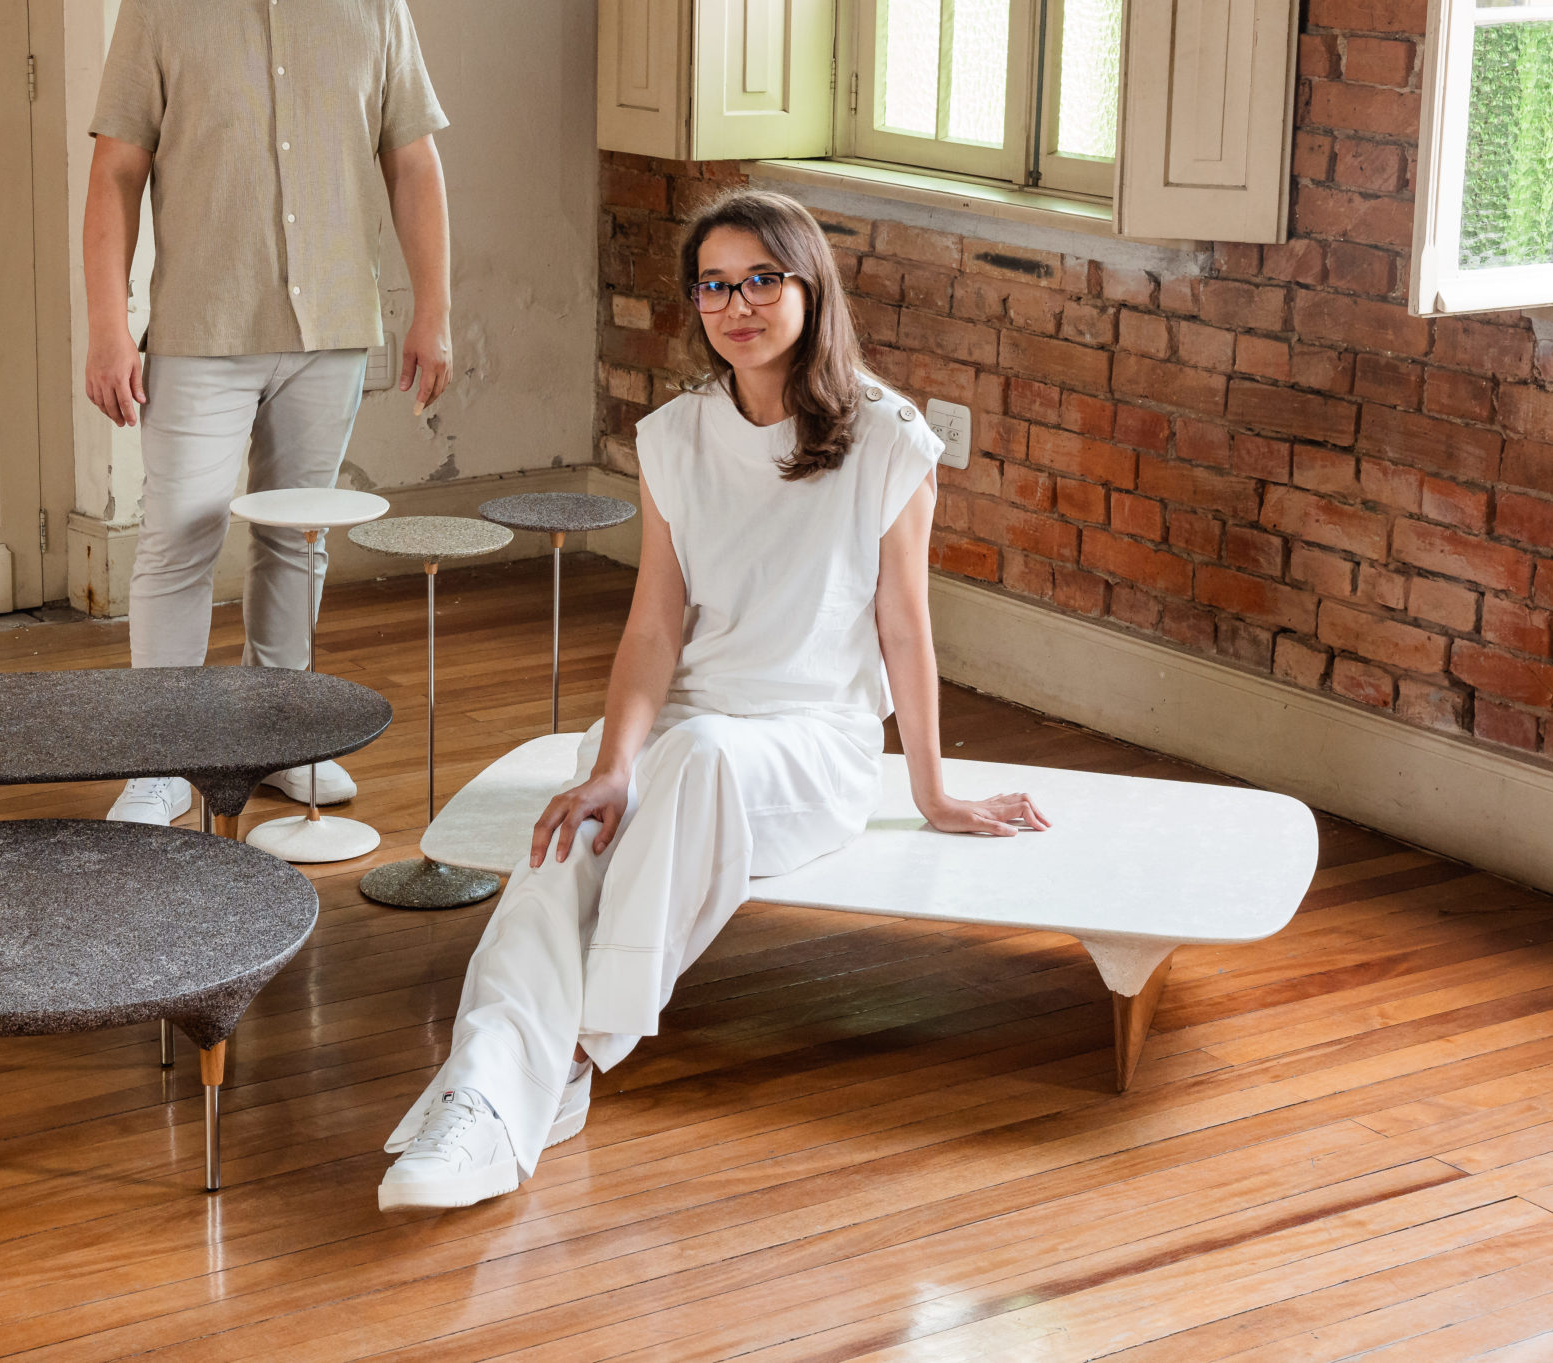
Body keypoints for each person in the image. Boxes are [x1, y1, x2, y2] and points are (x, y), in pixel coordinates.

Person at [378, 190, 1049, 1211]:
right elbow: (654, 625)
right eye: (713, 285)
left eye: (761, 279)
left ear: (808, 286)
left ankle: (567, 1052)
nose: (736, 305)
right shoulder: (674, 439)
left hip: (804, 746)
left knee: (688, 767)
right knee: (567, 850)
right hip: (687, 725)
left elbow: (904, 627)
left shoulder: (887, 439)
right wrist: (608, 762)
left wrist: (932, 790)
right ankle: (485, 1089)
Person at [82, 0, 454, 824]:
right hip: (201, 329)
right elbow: (112, 176)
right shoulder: (157, 9)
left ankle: (280, 739)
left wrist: (432, 310)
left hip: (332, 328)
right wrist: (110, 329)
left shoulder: (375, 4)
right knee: (179, 537)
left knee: (297, 536)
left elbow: (414, 166)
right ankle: (162, 756)